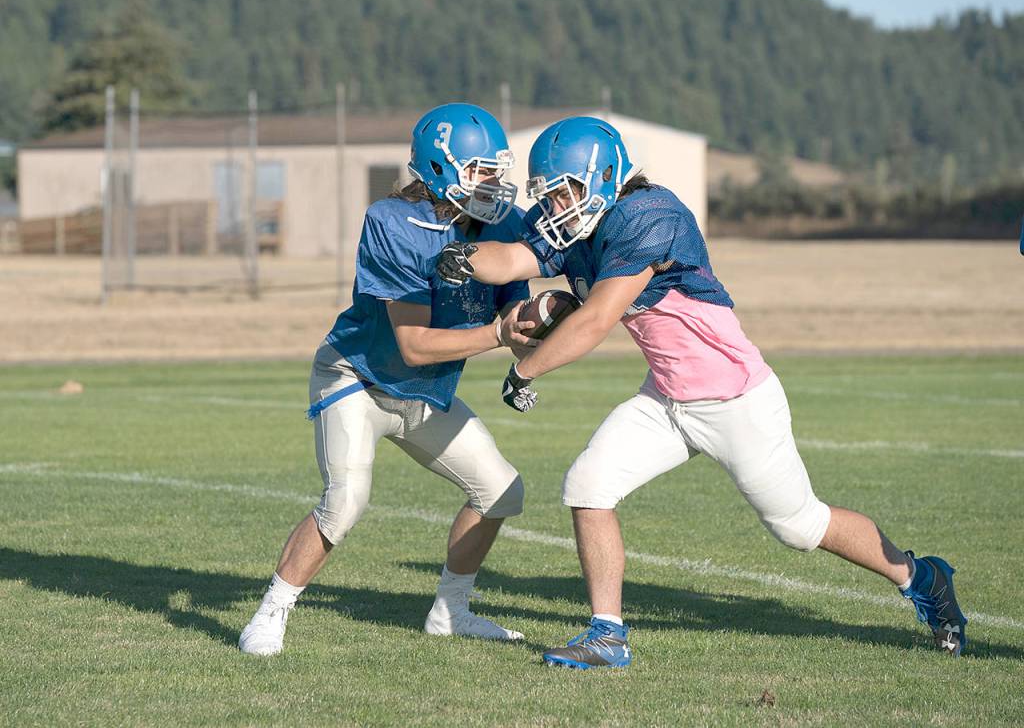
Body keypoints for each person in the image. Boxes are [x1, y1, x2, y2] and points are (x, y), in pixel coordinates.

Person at [436, 116, 968, 668]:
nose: (557, 206)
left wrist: (526, 371)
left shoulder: (650, 215)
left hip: (734, 399)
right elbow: (516, 259)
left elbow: (596, 319)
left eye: (565, 191)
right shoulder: (579, 226)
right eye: (550, 196)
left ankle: (921, 577)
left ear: (604, 176)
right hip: (668, 398)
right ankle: (607, 635)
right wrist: (462, 260)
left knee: (800, 525)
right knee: (587, 486)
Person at [239, 103, 538, 656]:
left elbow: (517, 313)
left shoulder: (504, 225)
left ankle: (451, 611)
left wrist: (541, 327)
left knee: (501, 491)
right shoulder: (394, 223)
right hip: (358, 378)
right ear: (439, 169)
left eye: (497, 170)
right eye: (480, 171)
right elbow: (414, 344)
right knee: (346, 499)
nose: (494, 184)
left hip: (423, 393)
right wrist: (499, 335)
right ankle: (272, 610)